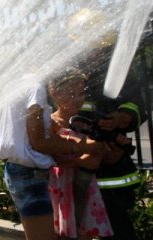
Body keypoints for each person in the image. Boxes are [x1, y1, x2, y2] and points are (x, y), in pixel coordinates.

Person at [68, 8, 147, 240]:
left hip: (113, 168)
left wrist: (124, 117)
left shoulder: (119, 69)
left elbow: (138, 103)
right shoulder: (70, 74)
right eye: (91, 46)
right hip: (80, 162)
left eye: (100, 45)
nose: (95, 52)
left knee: (117, 227)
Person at [0, 75, 100, 240]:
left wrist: (67, 139)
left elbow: (30, 134)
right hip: (30, 175)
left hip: (21, 173)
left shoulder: (19, 84)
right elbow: (38, 142)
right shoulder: (35, 88)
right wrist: (82, 146)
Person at [48, 67, 112, 239]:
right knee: (63, 232)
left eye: (81, 93)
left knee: (84, 231)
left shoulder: (85, 123)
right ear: (54, 93)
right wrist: (83, 160)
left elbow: (103, 153)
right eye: (70, 93)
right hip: (62, 187)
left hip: (85, 186)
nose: (78, 99)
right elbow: (53, 157)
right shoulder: (51, 123)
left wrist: (100, 151)